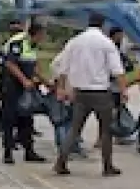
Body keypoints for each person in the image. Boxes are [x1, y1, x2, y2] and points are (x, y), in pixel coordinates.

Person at [53, 13, 127, 176]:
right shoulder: (106, 43)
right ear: (102, 25)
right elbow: (117, 70)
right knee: (106, 130)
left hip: (80, 92)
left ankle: (61, 162)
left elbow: (62, 68)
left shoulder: (74, 42)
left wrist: (61, 88)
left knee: (74, 129)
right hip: (101, 92)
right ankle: (107, 166)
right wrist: (123, 90)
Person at [0, 21, 48, 165]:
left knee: (27, 117)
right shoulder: (18, 42)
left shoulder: (32, 45)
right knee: (10, 118)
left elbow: (34, 65)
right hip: (12, 86)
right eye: (43, 34)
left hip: (25, 86)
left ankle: (29, 151)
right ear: (37, 34)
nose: (44, 38)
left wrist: (45, 81)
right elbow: (10, 64)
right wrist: (24, 80)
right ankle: (8, 152)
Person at [50, 46, 86, 158]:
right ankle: (63, 147)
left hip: (73, 93)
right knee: (63, 121)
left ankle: (72, 145)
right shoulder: (62, 59)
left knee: (73, 121)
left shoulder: (75, 59)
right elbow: (57, 76)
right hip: (65, 93)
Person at [105, 27, 136, 146]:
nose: (121, 38)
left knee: (116, 111)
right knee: (110, 112)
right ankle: (105, 137)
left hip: (116, 85)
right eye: (120, 35)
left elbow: (129, 66)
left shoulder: (118, 50)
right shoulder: (109, 49)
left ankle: (117, 135)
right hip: (110, 85)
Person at [0, 18, 25, 139]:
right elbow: (1, 62)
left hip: (18, 79)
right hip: (7, 79)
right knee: (7, 106)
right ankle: (1, 128)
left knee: (21, 106)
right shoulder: (8, 45)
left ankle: (21, 130)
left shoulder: (22, 43)